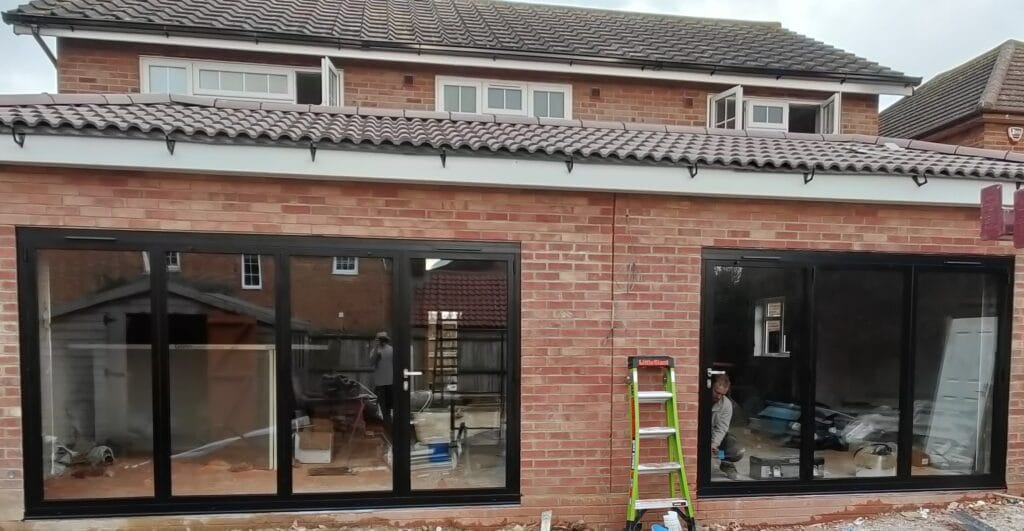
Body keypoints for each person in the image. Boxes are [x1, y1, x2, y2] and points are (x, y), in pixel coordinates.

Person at [711, 373, 744, 480]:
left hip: (712, 434)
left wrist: (714, 444)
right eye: (717, 392)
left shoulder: (726, 404)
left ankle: (725, 463)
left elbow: (722, 428)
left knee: (731, 445)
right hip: (696, 433)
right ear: (710, 386)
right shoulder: (697, 398)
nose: (719, 397)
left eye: (722, 394)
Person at [370, 331, 394, 419]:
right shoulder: (374, 351)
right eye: (380, 340)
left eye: (383, 339)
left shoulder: (391, 350)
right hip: (380, 382)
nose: (381, 341)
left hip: (390, 381)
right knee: (382, 405)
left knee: (390, 405)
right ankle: (386, 421)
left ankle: (390, 420)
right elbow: (372, 363)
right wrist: (376, 350)